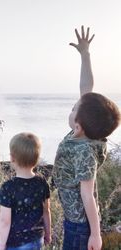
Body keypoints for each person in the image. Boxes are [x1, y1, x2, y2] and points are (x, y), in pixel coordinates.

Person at [52, 26, 121, 250]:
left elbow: (88, 195)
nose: (71, 110)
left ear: (79, 126)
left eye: (73, 109)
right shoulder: (86, 132)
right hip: (74, 218)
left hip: (80, 225)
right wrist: (85, 55)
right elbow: (86, 88)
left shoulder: (84, 153)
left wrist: (95, 234)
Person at [0, 132, 51, 250]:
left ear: (12, 158)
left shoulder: (8, 187)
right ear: (36, 159)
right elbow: (46, 211)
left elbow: (5, 221)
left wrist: (1, 244)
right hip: (37, 239)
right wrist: (48, 234)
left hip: (16, 244)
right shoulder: (42, 182)